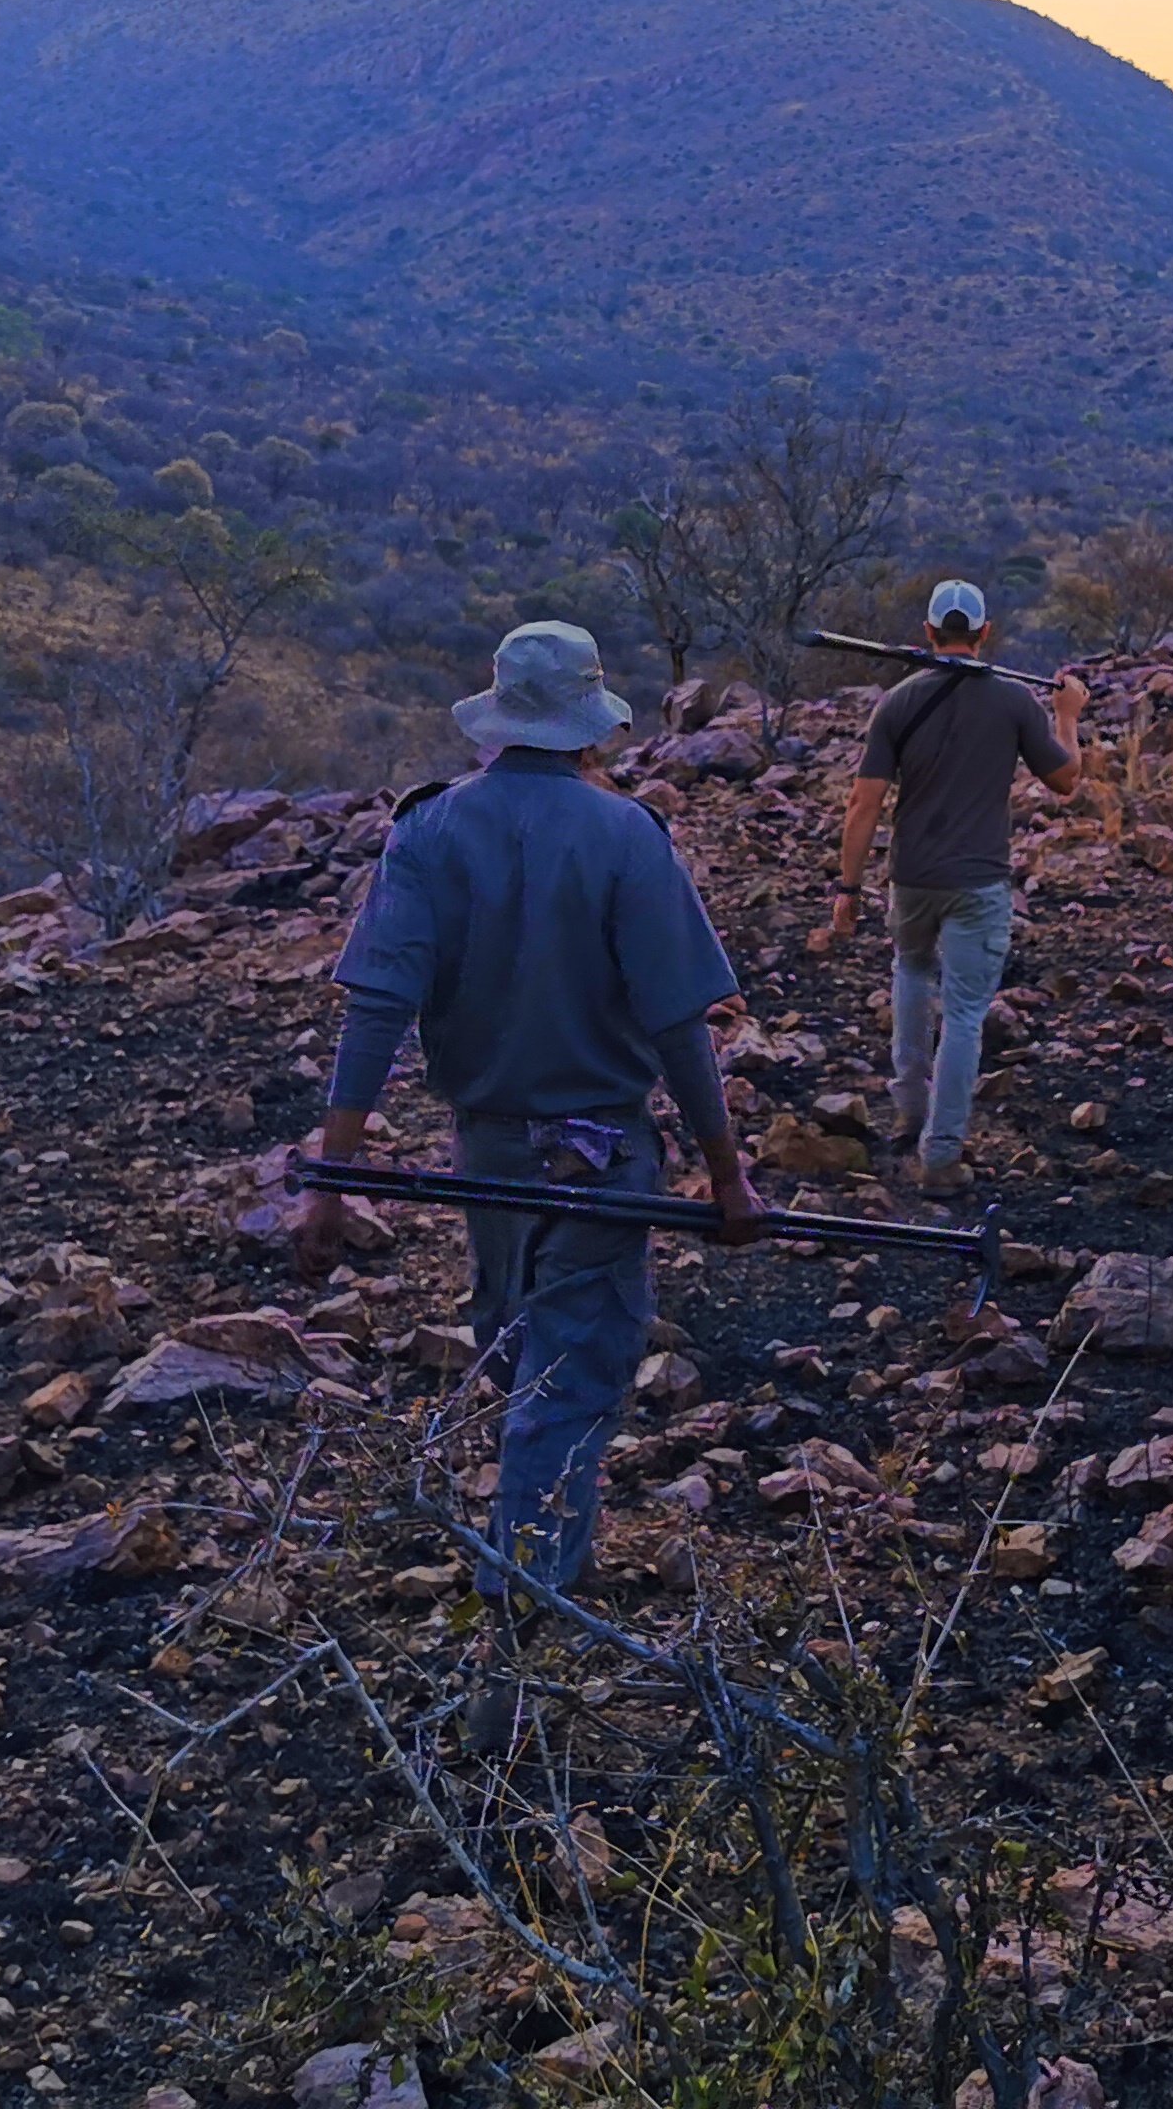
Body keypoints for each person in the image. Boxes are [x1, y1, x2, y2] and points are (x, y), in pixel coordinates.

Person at [318, 620, 767, 1679]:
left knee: (521, 1352)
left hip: (489, 1156)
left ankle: (529, 1573)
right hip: (605, 1156)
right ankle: (518, 1627)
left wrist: (329, 1176)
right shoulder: (625, 837)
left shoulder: (426, 832)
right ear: (587, 725)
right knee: (570, 1373)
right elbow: (675, 1022)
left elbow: (377, 1004)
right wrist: (727, 1166)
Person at [809, 580, 1086, 1191]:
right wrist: (1067, 717)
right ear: (985, 634)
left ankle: (909, 1111)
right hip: (979, 883)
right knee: (963, 1015)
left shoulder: (898, 704)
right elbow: (1067, 780)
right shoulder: (1014, 702)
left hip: (911, 878)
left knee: (910, 975)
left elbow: (863, 805)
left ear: (929, 634)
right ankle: (941, 1156)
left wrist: (848, 889)